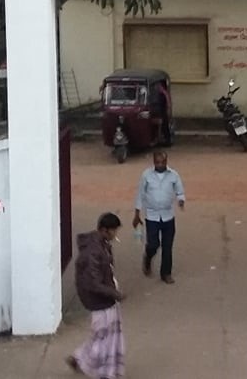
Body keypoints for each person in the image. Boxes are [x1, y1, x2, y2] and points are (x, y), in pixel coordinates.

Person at [66, 213, 126, 379]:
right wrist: (115, 294)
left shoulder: (101, 245)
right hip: (99, 299)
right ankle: (102, 370)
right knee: (104, 336)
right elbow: (94, 282)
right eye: (114, 231)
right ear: (105, 230)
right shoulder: (94, 251)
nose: (115, 234)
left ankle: (80, 359)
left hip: (104, 297)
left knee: (104, 333)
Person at [133, 150, 186, 284]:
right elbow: (140, 194)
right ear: (154, 162)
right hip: (152, 216)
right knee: (153, 244)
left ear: (166, 162)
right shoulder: (146, 175)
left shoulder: (173, 175)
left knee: (167, 246)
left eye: (163, 162)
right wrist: (137, 214)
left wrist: (181, 200)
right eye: (158, 162)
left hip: (168, 216)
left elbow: (180, 191)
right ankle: (148, 257)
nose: (160, 165)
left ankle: (166, 273)